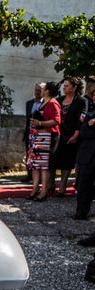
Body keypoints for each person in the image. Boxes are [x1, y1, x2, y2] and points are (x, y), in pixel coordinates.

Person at [26, 81, 62, 201]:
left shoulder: (53, 103)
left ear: (47, 90)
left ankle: (44, 190)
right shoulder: (43, 102)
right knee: (36, 164)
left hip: (48, 136)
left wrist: (40, 123)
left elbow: (57, 120)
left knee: (44, 165)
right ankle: (35, 188)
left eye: (43, 88)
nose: (41, 90)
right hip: (39, 135)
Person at [54, 77, 88, 196]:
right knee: (54, 160)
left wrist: (76, 135)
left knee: (67, 161)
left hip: (70, 134)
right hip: (58, 133)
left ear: (74, 88)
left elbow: (81, 119)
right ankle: (50, 186)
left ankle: (62, 187)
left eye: (67, 86)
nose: (64, 88)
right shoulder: (59, 99)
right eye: (64, 86)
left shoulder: (81, 101)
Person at [74, 88, 95, 219]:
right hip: (88, 154)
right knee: (84, 184)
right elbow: (84, 132)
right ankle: (81, 212)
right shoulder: (90, 115)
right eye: (94, 96)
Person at [24, 83, 45, 180]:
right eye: (36, 90)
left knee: (39, 154)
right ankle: (29, 175)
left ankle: (39, 177)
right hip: (29, 132)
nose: (37, 92)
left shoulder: (46, 103)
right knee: (29, 153)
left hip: (40, 132)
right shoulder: (29, 103)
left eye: (39, 90)